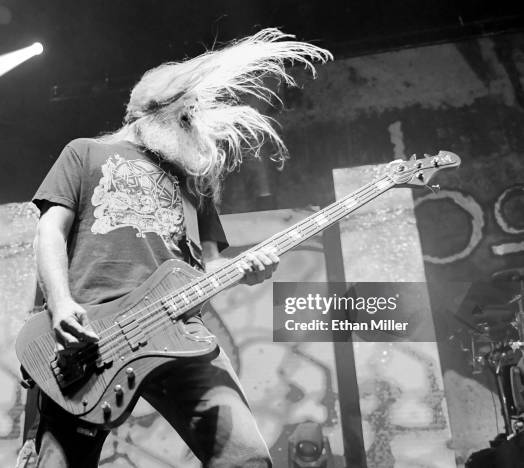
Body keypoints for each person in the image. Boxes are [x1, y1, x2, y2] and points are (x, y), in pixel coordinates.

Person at [31, 28, 331, 468]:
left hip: (180, 334)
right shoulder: (85, 153)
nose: (193, 120)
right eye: (185, 113)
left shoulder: (197, 184)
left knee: (246, 460)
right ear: (151, 110)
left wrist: (248, 268)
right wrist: (59, 304)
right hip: (94, 338)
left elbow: (208, 267)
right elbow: (49, 232)